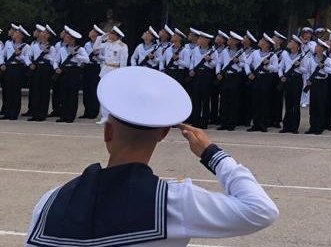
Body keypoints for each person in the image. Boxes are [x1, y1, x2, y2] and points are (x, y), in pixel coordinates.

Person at [24, 66, 277, 245]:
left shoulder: (50, 201)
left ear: (107, 132)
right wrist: (213, 155)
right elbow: (261, 210)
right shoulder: (173, 202)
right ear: (163, 134)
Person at [54, 27, 89, 123]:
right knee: (63, 94)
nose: (65, 38)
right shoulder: (62, 49)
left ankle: (71, 116)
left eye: (68, 37)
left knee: (72, 95)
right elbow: (56, 61)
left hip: (74, 71)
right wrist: (56, 68)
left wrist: (77, 55)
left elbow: (87, 60)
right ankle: (63, 115)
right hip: (64, 72)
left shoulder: (80, 49)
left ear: (73, 39)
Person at [216, 33, 249, 131]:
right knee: (224, 100)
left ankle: (231, 123)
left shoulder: (241, 52)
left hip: (235, 77)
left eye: (231, 39)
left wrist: (238, 62)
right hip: (226, 76)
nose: (228, 40)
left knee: (233, 100)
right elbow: (219, 63)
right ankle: (223, 122)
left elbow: (244, 64)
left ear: (235, 42)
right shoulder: (225, 51)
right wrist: (218, 72)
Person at [305, 39, 331, 135]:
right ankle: (312, 126)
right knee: (313, 106)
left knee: (320, 105)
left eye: (317, 46)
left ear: (322, 49)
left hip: (322, 83)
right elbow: (308, 70)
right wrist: (308, 80)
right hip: (313, 83)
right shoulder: (311, 59)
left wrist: (324, 67)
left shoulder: (327, 60)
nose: (315, 48)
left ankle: (319, 127)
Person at [247, 35, 278, 133]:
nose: (260, 41)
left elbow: (276, 68)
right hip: (256, 77)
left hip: (266, 78)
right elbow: (247, 63)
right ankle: (255, 124)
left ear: (267, 44)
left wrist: (267, 65)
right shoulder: (255, 53)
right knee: (255, 101)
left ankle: (264, 124)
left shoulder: (272, 55)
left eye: (262, 40)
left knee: (265, 101)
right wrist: (249, 73)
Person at [26, 24, 58, 121]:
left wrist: (46, 54)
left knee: (44, 91)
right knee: (36, 91)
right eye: (42, 33)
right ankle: (35, 114)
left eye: (45, 33)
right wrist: (29, 64)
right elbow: (28, 56)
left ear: (48, 36)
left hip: (46, 69)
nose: (42, 34)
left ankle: (42, 114)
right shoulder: (35, 46)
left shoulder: (51, 48)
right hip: (37, 68)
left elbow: (54, 60)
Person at [277, 36, 307, 134]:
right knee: (288, 103)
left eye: (291, 42)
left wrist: (298, 67)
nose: (289, 43)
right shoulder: (286, 55)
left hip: (297, 80)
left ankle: (294, 127)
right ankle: (286, 126)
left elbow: (305, 70)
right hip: (287, 80)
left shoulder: (302, 56)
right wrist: (281, 76)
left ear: (296, 45)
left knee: (295, 104)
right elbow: (280, 67)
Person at [1, 24, 31, 120]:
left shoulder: (26, 47)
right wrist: (2, 64)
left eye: (17, 33)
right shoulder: (8, 44)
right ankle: (7, 112)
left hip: (18, 69)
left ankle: (14, 113)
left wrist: (19, 55)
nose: (14, 34)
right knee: (8, 91)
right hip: (8, 68)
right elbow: (2, 54)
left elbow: (27, 60)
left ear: (21, 36)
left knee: (16, 91)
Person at [80, 25, 105, 120]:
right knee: (86, 89)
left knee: (94, 89)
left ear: (96, 34)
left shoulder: (102, 45)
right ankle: (87, 111)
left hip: (96, 67)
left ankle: (94, 111)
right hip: (87, 67)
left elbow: (105, 58)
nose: (90, 32)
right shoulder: (87, 44)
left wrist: (98, 55)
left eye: (92, 31)